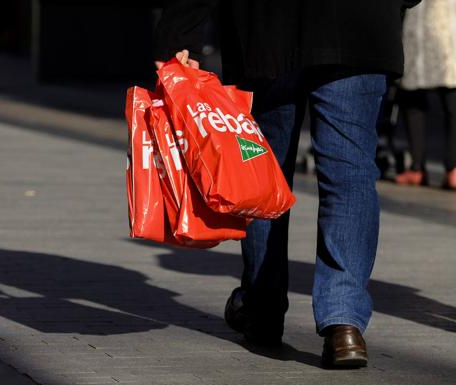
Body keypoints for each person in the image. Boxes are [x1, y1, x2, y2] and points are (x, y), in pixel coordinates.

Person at [154, 0, 420, 369]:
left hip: (269, 26)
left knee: (263, 169)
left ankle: (262, 308)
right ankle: (343, 321)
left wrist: (179, 33)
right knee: (350, 172)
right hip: (360, 22)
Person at [395, 1, 456, 190]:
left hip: (442, 19)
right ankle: (420, 166)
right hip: (422, 20)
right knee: (413, 94)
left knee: (450, 94)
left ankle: (447, 167)